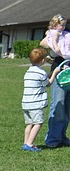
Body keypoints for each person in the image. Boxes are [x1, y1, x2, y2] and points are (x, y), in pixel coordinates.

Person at [22, 47, 62, 152]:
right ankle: (30, 144)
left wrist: (48, 76)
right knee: (38, 123)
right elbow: (48, 83)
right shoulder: (41, 72)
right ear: (43, 60)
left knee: (29, 123)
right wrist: (55, 72)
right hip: (35, 104)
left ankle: (26, 142)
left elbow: (41, 81)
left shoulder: (29, 72)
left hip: (26, 103)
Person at [40, 14, 70, 148]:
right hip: (59, 72)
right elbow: (44, 43)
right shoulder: (52, 35)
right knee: (58, 104)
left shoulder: (67, 35)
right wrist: (52, 38)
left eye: (64, 24)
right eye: (61, 24)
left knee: (67, 107)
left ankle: (62, 136)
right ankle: (53, 138)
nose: (63, 27)